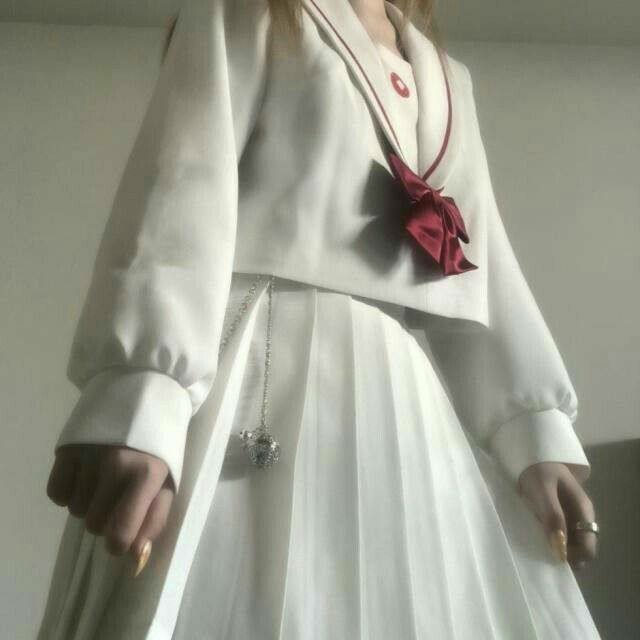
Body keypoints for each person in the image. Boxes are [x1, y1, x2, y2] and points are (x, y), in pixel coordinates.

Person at [37, 0, 601, 637]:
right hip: (256, 359)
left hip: (397, 391)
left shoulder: (447, 78)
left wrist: (532, 432)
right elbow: (184, 181)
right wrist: (144, 396)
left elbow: (482, 265)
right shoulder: (252, 11)